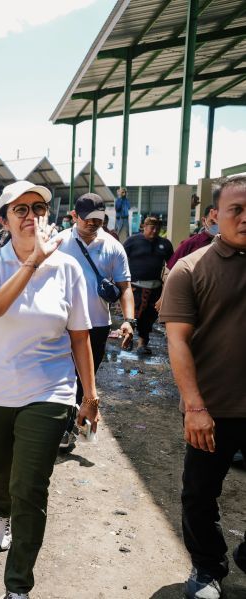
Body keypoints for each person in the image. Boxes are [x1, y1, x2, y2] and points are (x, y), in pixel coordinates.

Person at [0, 180, 98, 599]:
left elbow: (80, 337)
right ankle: (0, 514)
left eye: (38, 208)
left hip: (50, 391)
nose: (31, 216)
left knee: (30, 486)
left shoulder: (68, 268)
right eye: (20, 209)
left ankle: (18, 587)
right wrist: (32, 264)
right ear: (4, 220)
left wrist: (90, 396)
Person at [159, 176, 246, 599]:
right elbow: (177, 341)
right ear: (216, 214)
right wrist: (194, 407)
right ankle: (207, 568)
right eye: (237, 209)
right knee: (200, 496)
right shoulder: (190, 270)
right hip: (213, 409)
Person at [55, 193, 135, 451]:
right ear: (74, 216)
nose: (93, 224)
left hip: (97, 324)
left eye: (98, 219)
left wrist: (128, 320)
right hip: (61, 323)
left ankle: (67, 428)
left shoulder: (113, 246)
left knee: (83, 379)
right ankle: (55, 425)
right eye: (87, 219)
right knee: (56, 374)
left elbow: (125, 287)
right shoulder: (58, 242)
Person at [123, 216, 174, 354]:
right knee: (132, 316)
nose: (155, 230)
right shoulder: (132, 241)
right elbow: (120, 260)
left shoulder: (165, 244)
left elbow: (173, 265)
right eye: (152, 227)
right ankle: (128, 339)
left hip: (155, 288)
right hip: (135, 287)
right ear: (144, 227)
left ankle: (142, 344)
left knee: (148, 318)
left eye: (158, 228)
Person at [167, 200, 219, 271]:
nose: (217, 225)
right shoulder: (190, 244)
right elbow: (171, 269)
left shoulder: (230, 245)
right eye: (213, 222)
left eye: (221, 222)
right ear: (204, 221)